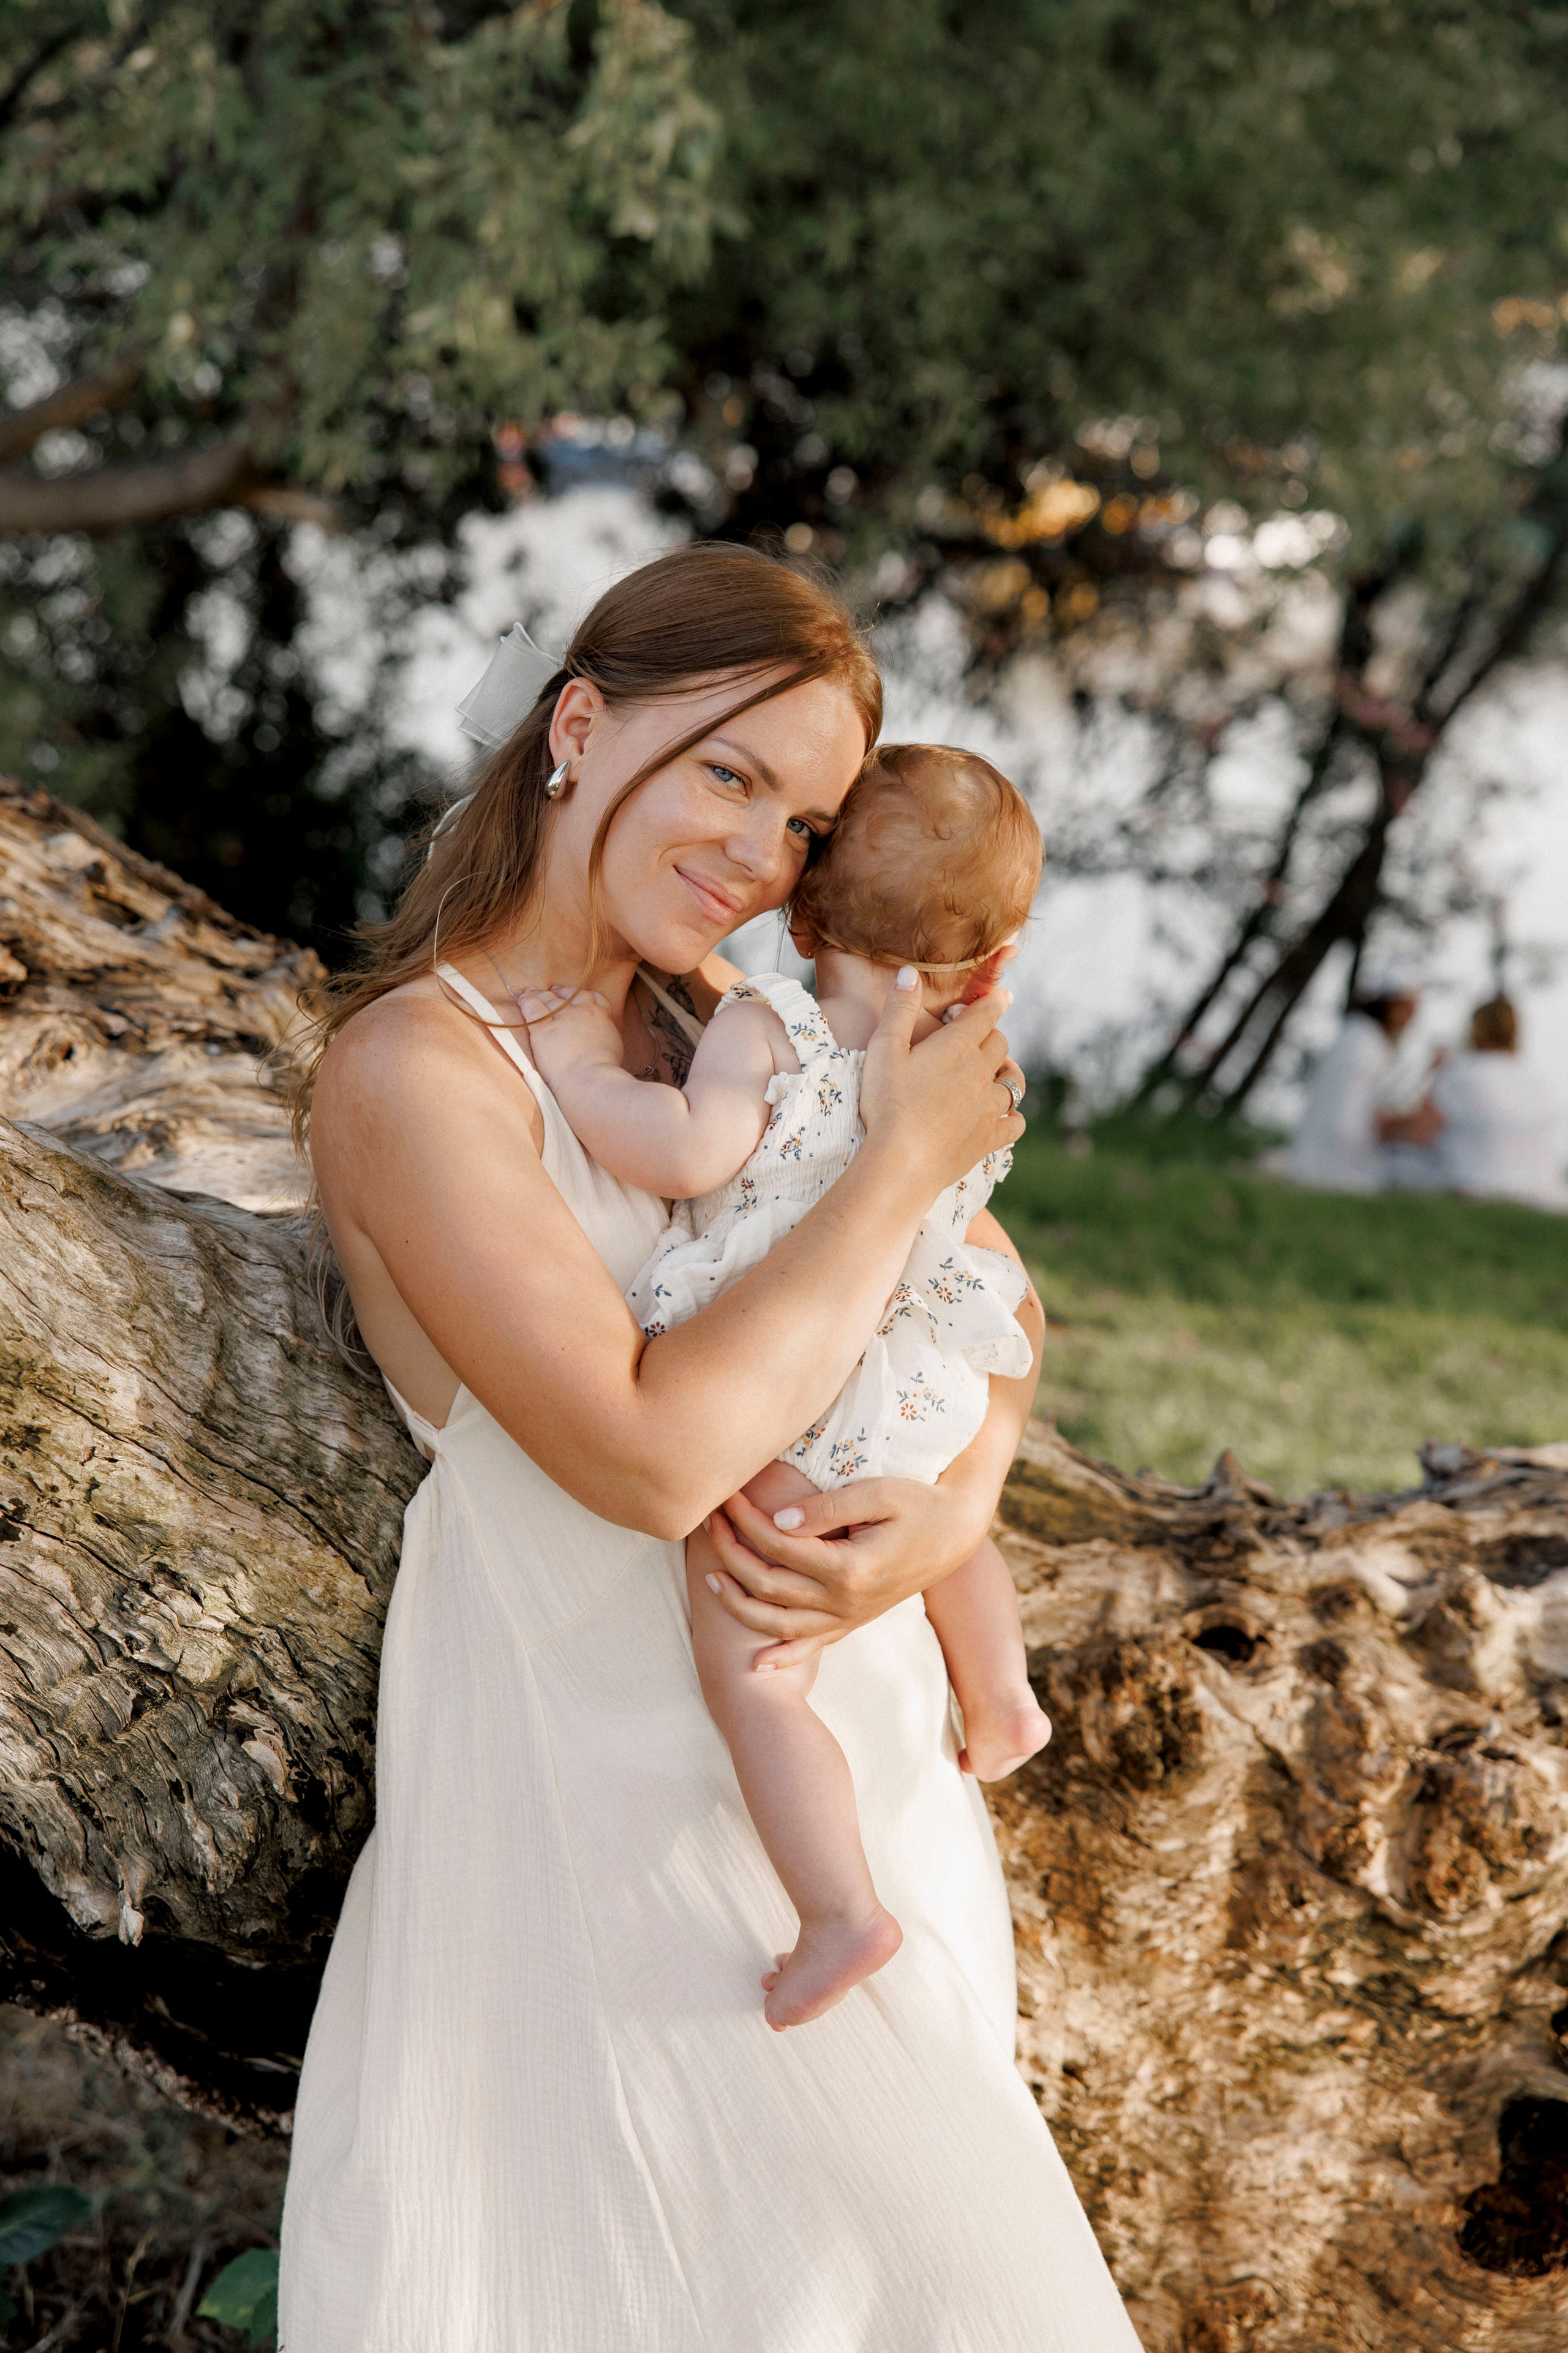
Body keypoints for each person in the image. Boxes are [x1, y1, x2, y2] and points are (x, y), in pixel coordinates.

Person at [279, 545, 1144, 2351]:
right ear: (579, 728)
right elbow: (651, 1455)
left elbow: (991, 1303)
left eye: (807, 820)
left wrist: (953, 1508)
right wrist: (901, 1158)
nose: (761, 852)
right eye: (728, 772)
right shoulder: (416, 1072)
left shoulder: (733, 1029)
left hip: (854, 1769)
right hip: (605, 1792)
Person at [518, 744, 1053, 2033]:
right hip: (924, 1368)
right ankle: (1000, 1692)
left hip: (797, 1383)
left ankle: (834, 1911)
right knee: (928, 1506)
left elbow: (690, 1146)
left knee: (755, 1669)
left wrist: (582, 1074)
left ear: (802, 912)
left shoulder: (772, 1019)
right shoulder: (964, 1058)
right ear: (990, 969)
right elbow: (1001, 1275)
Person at [1284, 973, 1437, 1192]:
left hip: (1326, 1154)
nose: (1410, 1019)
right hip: (1337, 1162)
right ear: (1389, 1004)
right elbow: (1349, 1119)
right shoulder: (1366, 1043)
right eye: (1408, 1009)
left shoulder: (1359, 1035)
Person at [1430, 995, 1568, 1209]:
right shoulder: (1539, 1082)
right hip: (1541, 1189)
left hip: (1474, 1184)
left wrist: (1432, 1076)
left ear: (1476, 1029)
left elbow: (1420, 1132)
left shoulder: (1459, 1073)